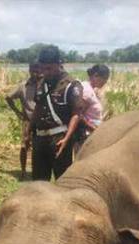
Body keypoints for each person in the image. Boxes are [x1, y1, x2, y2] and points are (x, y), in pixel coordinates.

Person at [31, 45, 84, 181]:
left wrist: (66, 139)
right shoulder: (41, 83)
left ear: (59, 64)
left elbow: (76, 113)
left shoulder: (71, 85)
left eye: (49, 68)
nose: (45, 72)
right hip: (40, 138)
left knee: (62, 181)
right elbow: (38, 106)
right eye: (43, 68)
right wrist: (30, 130)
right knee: (38, 182)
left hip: (59, 139)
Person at [5, 62, 40, 180]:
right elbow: (8, 97)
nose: (36, 73)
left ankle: (37, 172)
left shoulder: (45, 85)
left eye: (38, 70)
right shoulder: (23, 86)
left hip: (42, 121)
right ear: (29, 70)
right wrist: (17, 112)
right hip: (28, 120)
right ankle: (23, 172)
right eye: (33, 69)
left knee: (39, 148)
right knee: (24, 146)